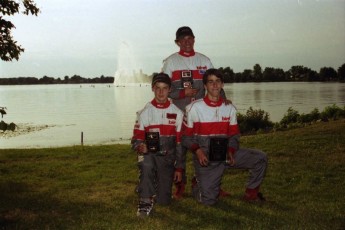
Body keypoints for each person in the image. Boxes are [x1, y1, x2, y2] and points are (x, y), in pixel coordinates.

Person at [162, 26, 230, 199]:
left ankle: (209, 183)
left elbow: (215, 83)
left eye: (189, 38)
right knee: (179, 150)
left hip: (201, 114)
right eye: (182, 39)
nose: (187, 42)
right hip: (179, 112)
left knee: (209, 147)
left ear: (194, 39)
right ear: (177, 42)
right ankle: (180, 185)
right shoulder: (170, 62)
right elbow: (162, 88)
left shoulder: (204, 60)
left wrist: (223, 99)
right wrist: (182, 93)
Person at [182, 68, 268, 205]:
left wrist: (231, 151)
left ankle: (251, 194)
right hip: (206, 157)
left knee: (260, 158)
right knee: (209, 201)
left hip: (226, 154)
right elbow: (185, 138)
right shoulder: (193, 108)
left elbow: (234, 135)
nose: (214, 85)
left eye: (218, 81)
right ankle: (197, 184)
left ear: (222, 84)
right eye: (210, 82)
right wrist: (198, 152)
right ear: (205, 86)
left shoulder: (230, 108)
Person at [131, 73, 185, 217]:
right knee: (146, 163)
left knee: (163, 200)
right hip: (149, 155)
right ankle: (145, 200)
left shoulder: (178, 113)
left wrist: (179, 167)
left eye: (164, 88)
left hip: (167, 159)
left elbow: (180, 144)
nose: (161, 92)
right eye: (158, 88)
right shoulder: (144, 113)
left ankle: (147, 183)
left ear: (170, 90)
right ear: (152, 89)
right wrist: (140, 145)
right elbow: (135, 140)